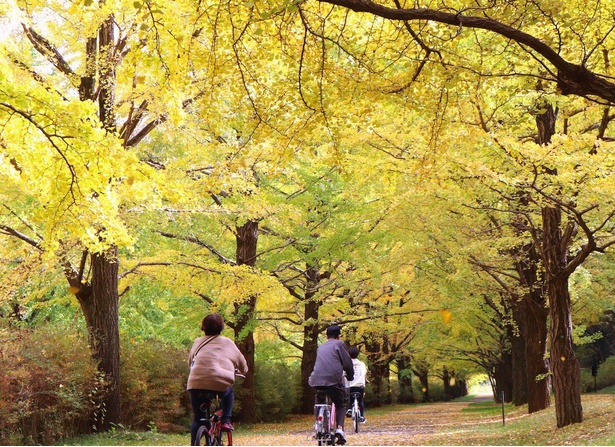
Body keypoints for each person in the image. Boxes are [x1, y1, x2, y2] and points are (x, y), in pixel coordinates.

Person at [187, 313, 248, 446]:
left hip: (195, 383)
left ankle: (194, 443)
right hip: (219, 382)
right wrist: (242, 371)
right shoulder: (227, 342)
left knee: (198, 419)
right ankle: (226, 419)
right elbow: (243, 364)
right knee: (229, 392)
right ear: (221, 327)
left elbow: (190, 362)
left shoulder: (198, 342)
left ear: (204, 327)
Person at [309, 324, 354, 445]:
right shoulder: (339, 345)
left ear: (326, 336)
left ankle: (318, 423)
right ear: (339, 336)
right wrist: (350, 375)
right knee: (340, 403)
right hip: (333, 380)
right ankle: (339, 429)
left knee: (319, 401)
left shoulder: (320, 347)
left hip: (316, 379)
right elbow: (347, 364)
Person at [346, 346, 367, 423]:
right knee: (360, 400)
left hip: (350, 386)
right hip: (360, 385)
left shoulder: (347, 364)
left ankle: (350, 409)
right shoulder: (362, 364)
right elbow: (364, 373)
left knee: (350, 399)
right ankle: (361, 416)